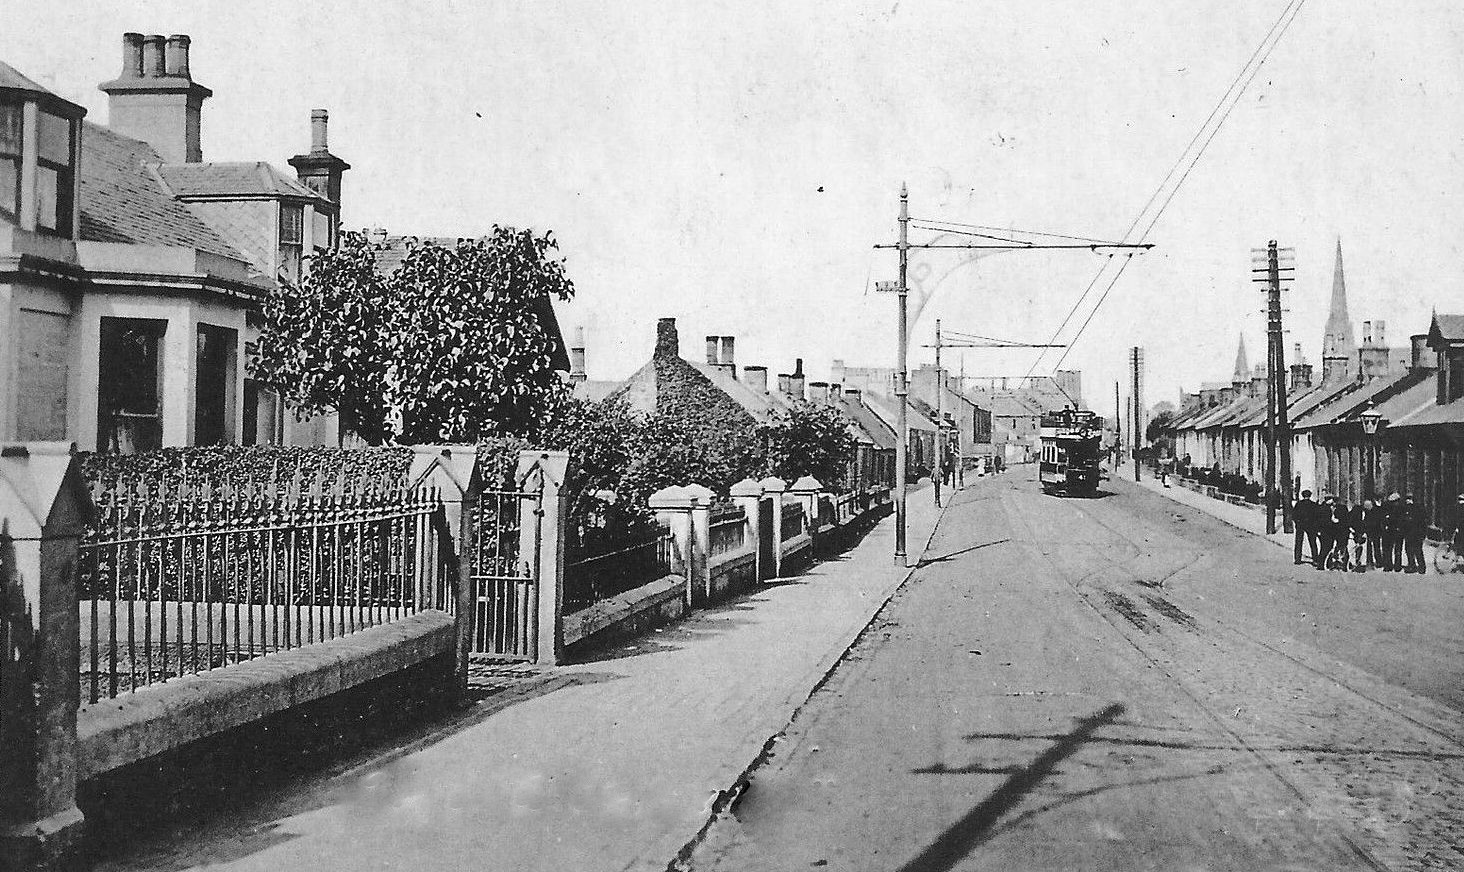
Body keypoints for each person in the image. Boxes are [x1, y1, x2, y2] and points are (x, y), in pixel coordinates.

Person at [1292, 489, 1318, 566]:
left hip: (1300, 525)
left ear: (1303, 496)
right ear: (1310, 496)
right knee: (1313, 542)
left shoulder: (1299, 504)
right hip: (1311, 525)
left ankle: (1297, 559)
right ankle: (1315, 559)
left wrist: (1297, 522)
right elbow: (1316, 516)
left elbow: (1294, 515)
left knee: (1298, 542)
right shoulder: (1313, 504)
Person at [1403, 494, 1427, 573]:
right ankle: (1420, 567)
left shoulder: (1413, 508)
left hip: (1414, 533)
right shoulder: (1419, 507)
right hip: (1414, 533)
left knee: (1413, 550)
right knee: (1415, 550)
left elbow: (1420, 521)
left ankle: (1414, 566)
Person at [1381, 492, 1405, 571]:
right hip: (1395, 530)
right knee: (1395, 549)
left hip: (1392, 530)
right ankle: (1395, 565)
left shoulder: (1387, 507)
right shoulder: (1401, 508)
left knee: (1390, 549)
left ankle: (1389, 565)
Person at [1358, 497, 1383, 570]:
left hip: (1373, 532)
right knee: (1374, 547)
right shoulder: (1372, 512)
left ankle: (1375, 561)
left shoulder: (1372, 513)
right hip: (1372, 532)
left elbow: (1372, 523)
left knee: (1374, 547)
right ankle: (1374, 561)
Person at [1314, 495, 1338, 570]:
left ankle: (1322, 563)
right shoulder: (1326, 509)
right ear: (1329, 500)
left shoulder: (1323, 507)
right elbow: (1324, 521)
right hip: (1326, 531)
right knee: (1326, 547)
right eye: (1332, 500)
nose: (1333, 502)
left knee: (1325, 547)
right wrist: (1334, 521)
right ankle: (1321, 564)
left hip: (1324, 531)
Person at [1329, 497, 1353, 571]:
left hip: (1338, 531)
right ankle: (1343, 563)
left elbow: (1335, 520)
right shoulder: (1344, 509)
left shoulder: (1337, 510)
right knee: (1344, 547)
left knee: (1339, 546)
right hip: (1344, 531)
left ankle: (1337, 561)